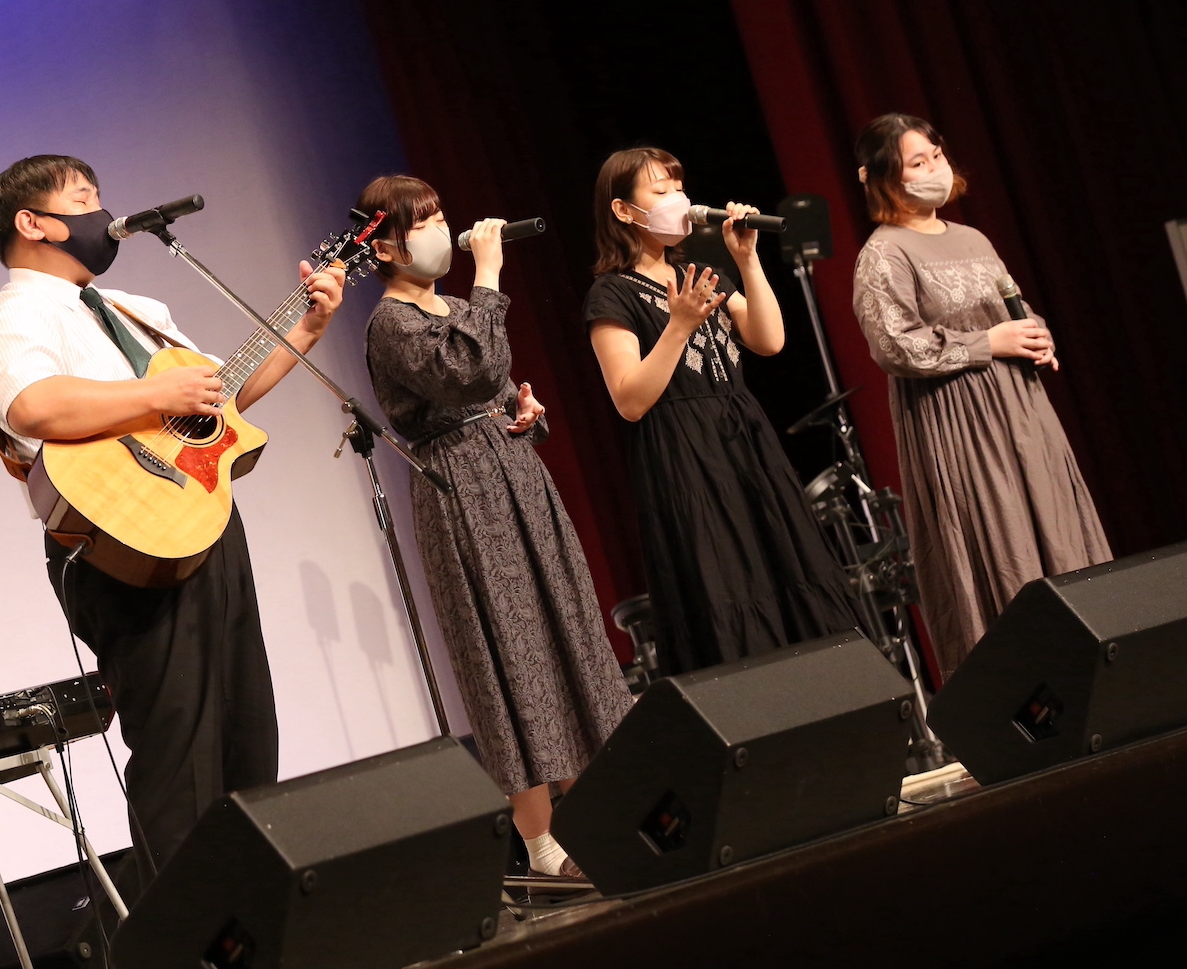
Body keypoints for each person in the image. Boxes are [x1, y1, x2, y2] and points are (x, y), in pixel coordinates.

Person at [0, 154, 344, 877]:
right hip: (120, 541)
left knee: (245, 729)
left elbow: (218, 401)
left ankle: (259, 907)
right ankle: (190, 931)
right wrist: (155, 397)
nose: (102, 213)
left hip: (201, 519)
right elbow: (32, 405)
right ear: (34, 223)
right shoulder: (17, 314)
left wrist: (306, 328)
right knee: (179, 747)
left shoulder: (136, 310)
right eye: (84, 199)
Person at [357, 176, 632, 877]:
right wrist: (489, 276)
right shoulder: (389, 323)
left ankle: (598, 808)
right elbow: (468, 372)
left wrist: (523, 410)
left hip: (514, 476)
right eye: (423, 223)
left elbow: (495, 385)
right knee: (507, 648)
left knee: (564, 625)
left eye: (440, 216)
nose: (441, 231)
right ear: (385, 246)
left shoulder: (453, 307)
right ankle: (541, 842)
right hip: (462, 490)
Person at [583, 148, 860, 675]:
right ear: (623, 210)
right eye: (660, 191)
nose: (678, 200)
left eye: (679, 187)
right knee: (724, 582)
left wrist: (747, 260)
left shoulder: (702, 273)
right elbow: (630, 399)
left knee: (785, 563)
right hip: (684, 453)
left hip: (744, 442)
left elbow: (769, 340)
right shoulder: (611, 294)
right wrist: (679, 325)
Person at [850, 113, 1109, 673]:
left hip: (1022, 410)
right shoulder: (884, 254)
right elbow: (895, 346)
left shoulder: (972, 238)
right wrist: (987, 343)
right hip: (960, 420)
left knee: (1056, 529)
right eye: (917, 163)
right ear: (886, 178)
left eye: (936, 156)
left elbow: (1011, 307)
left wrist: (1035, 333)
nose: (934, 169)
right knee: (1001, 538)